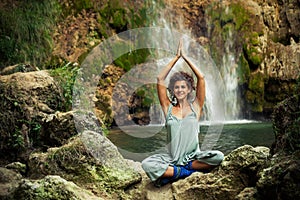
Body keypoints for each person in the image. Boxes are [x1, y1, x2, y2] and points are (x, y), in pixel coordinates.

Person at [141, 40, 224, 187]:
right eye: (176, 87)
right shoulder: (167, 108)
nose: (180, 90)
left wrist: (185, 57)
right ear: (173, 90)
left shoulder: (196, 107)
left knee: (219, 157)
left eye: (183, 87)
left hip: (193, 158)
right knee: (147, 164)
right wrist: (176, 57)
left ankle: (177, 172)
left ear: (189, 89)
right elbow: (160, 79)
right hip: (172, 158)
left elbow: (201, 78)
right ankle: (184, 172)